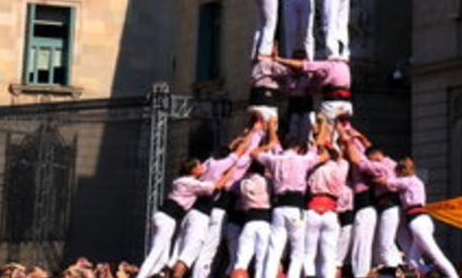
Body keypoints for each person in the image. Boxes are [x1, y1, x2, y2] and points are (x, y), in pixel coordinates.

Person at [177, 125, 264, 278]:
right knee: (210, 252)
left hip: (209, 212)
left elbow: (229, 152)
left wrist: (239, 140)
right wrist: (254, 132)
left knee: (210, 252)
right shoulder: (232, 167)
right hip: (219, 213)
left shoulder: (209, 164)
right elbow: (245, 152)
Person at [256, 119, 329, 278]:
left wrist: (270, 129)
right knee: (297, 250)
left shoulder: (274, 159)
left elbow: (256, 153)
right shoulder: (303, 160)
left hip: (278, 207)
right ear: (297, 148)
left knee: (274, 248)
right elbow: (321, 153)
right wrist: (323, 126)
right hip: (296, 206)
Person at [140, 158, 237, 278]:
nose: (203, 167)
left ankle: (153, 275)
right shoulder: (190, 183)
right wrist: (231, 171)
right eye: (199, 166)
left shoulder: (181, 180)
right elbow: (215, 186)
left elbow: (210, 165)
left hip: (163, 216)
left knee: (163, 259)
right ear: (193, 170)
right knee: (156, 253)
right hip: (168, 219)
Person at [381, 157, 459, 278]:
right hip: (424, 220)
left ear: (401, 171)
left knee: (436, 255)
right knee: (412, 260)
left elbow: (387, 182)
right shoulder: (417, 181)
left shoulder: (407, 181)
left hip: (417, 222)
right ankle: (432, 272)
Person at [343, 127, 401, 273]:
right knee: (382, 245)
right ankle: (396, 268)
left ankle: (367, 273)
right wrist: (358, 136)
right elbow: (369, 149)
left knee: (378, 245)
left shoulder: (380, 165)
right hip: (384, 207)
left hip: (379, 206)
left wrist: (346, 135)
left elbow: (357, 159)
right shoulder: (388, 162)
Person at [304, 126, 350, 278]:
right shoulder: (342, 167)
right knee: (329, 255)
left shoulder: (314, 168)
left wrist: (321, 135)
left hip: (313, 209)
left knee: (309, 253)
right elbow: (342, 156)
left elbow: (314, 153)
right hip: (331, 212)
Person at [249, 51, 292, 122]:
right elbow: (287, 72)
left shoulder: (256, 63)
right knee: (268, 125)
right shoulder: (270, 63)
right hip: (267, 101)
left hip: (255, 98)